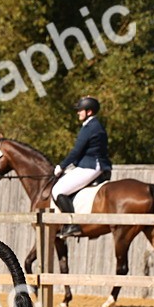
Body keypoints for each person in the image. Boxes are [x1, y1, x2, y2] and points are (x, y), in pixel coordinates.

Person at [51, 95, 111, 238]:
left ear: (89, 112)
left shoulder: (90, 127)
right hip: (89, 164)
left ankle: (73, 225)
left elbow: (76, 151)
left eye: (80, 110)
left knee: (58, 190)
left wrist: (62, 166)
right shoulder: (94, 126)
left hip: (91, 166)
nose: (78, 112)